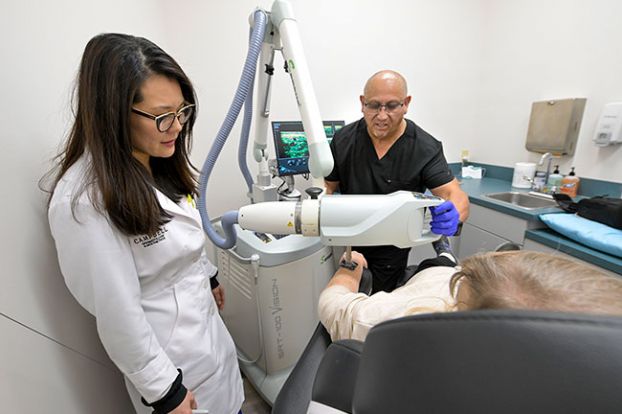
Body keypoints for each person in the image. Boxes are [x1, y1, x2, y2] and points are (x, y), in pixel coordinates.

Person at [45, 34, 243, 414]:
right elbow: (117, 312)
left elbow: (178, 234)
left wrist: (208, 274)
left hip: (208, 344)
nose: (177, 127)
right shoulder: (84, 201)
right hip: (171, 368)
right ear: (113, 113)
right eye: (162, 116)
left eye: (182, 111)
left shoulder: (155, 159)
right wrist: (165, 391)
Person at [324, 69, 470, 293]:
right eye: (374, 105)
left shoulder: (424, 147)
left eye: (392, 106)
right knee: (345, 301)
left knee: (379, 304)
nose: (382, 116)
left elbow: (454, 194)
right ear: (362, 103)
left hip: (393, 249)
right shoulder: (343, 140)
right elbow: (328, 187)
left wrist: (454, 213)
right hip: (350, 243)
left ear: (406, 103)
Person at [319, 249, 622, 342]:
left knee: (436, 266)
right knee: (445, 262)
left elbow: (334, 306)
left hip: (430, 280)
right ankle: (446, 254)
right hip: (447, 272)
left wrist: (352, 265)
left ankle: (447, 257)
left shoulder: (403, 323)